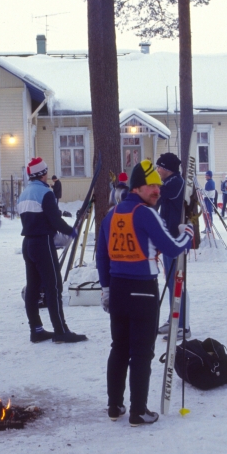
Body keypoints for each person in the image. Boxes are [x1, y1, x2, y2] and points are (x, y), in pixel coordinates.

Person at [97, 160, 193, 427]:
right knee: (141, 352)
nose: (157, 191)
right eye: (152, 186)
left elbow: (102, 256)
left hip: (117, 289)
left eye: (158, 186)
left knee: (119, 348)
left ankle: (114, 405)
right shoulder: (146, 213)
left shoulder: (112, 214)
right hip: (143, 291)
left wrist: (106, 288)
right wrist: (188, 234)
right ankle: (139, 410)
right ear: (137, 187)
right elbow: (173, 247)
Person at [18, 157, 85, 344]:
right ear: (42, 173)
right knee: (54, 286)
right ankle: (61, 331)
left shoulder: (24, 194)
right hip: (43, 243)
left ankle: (36, 330)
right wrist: (71, 231)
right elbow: (55, 220)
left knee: (33, 287)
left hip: (28, 244)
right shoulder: (45, 193)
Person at [155, 152, 190, 340]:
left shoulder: (176, 182)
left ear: (168, 169)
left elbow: (158, 194)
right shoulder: (168, 182)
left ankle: (183, 324)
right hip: (168, 237)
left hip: (176, 238)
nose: (158, 170)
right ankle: (173, 318)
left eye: (160, 167)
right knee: (170, 282)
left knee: (177, 282)